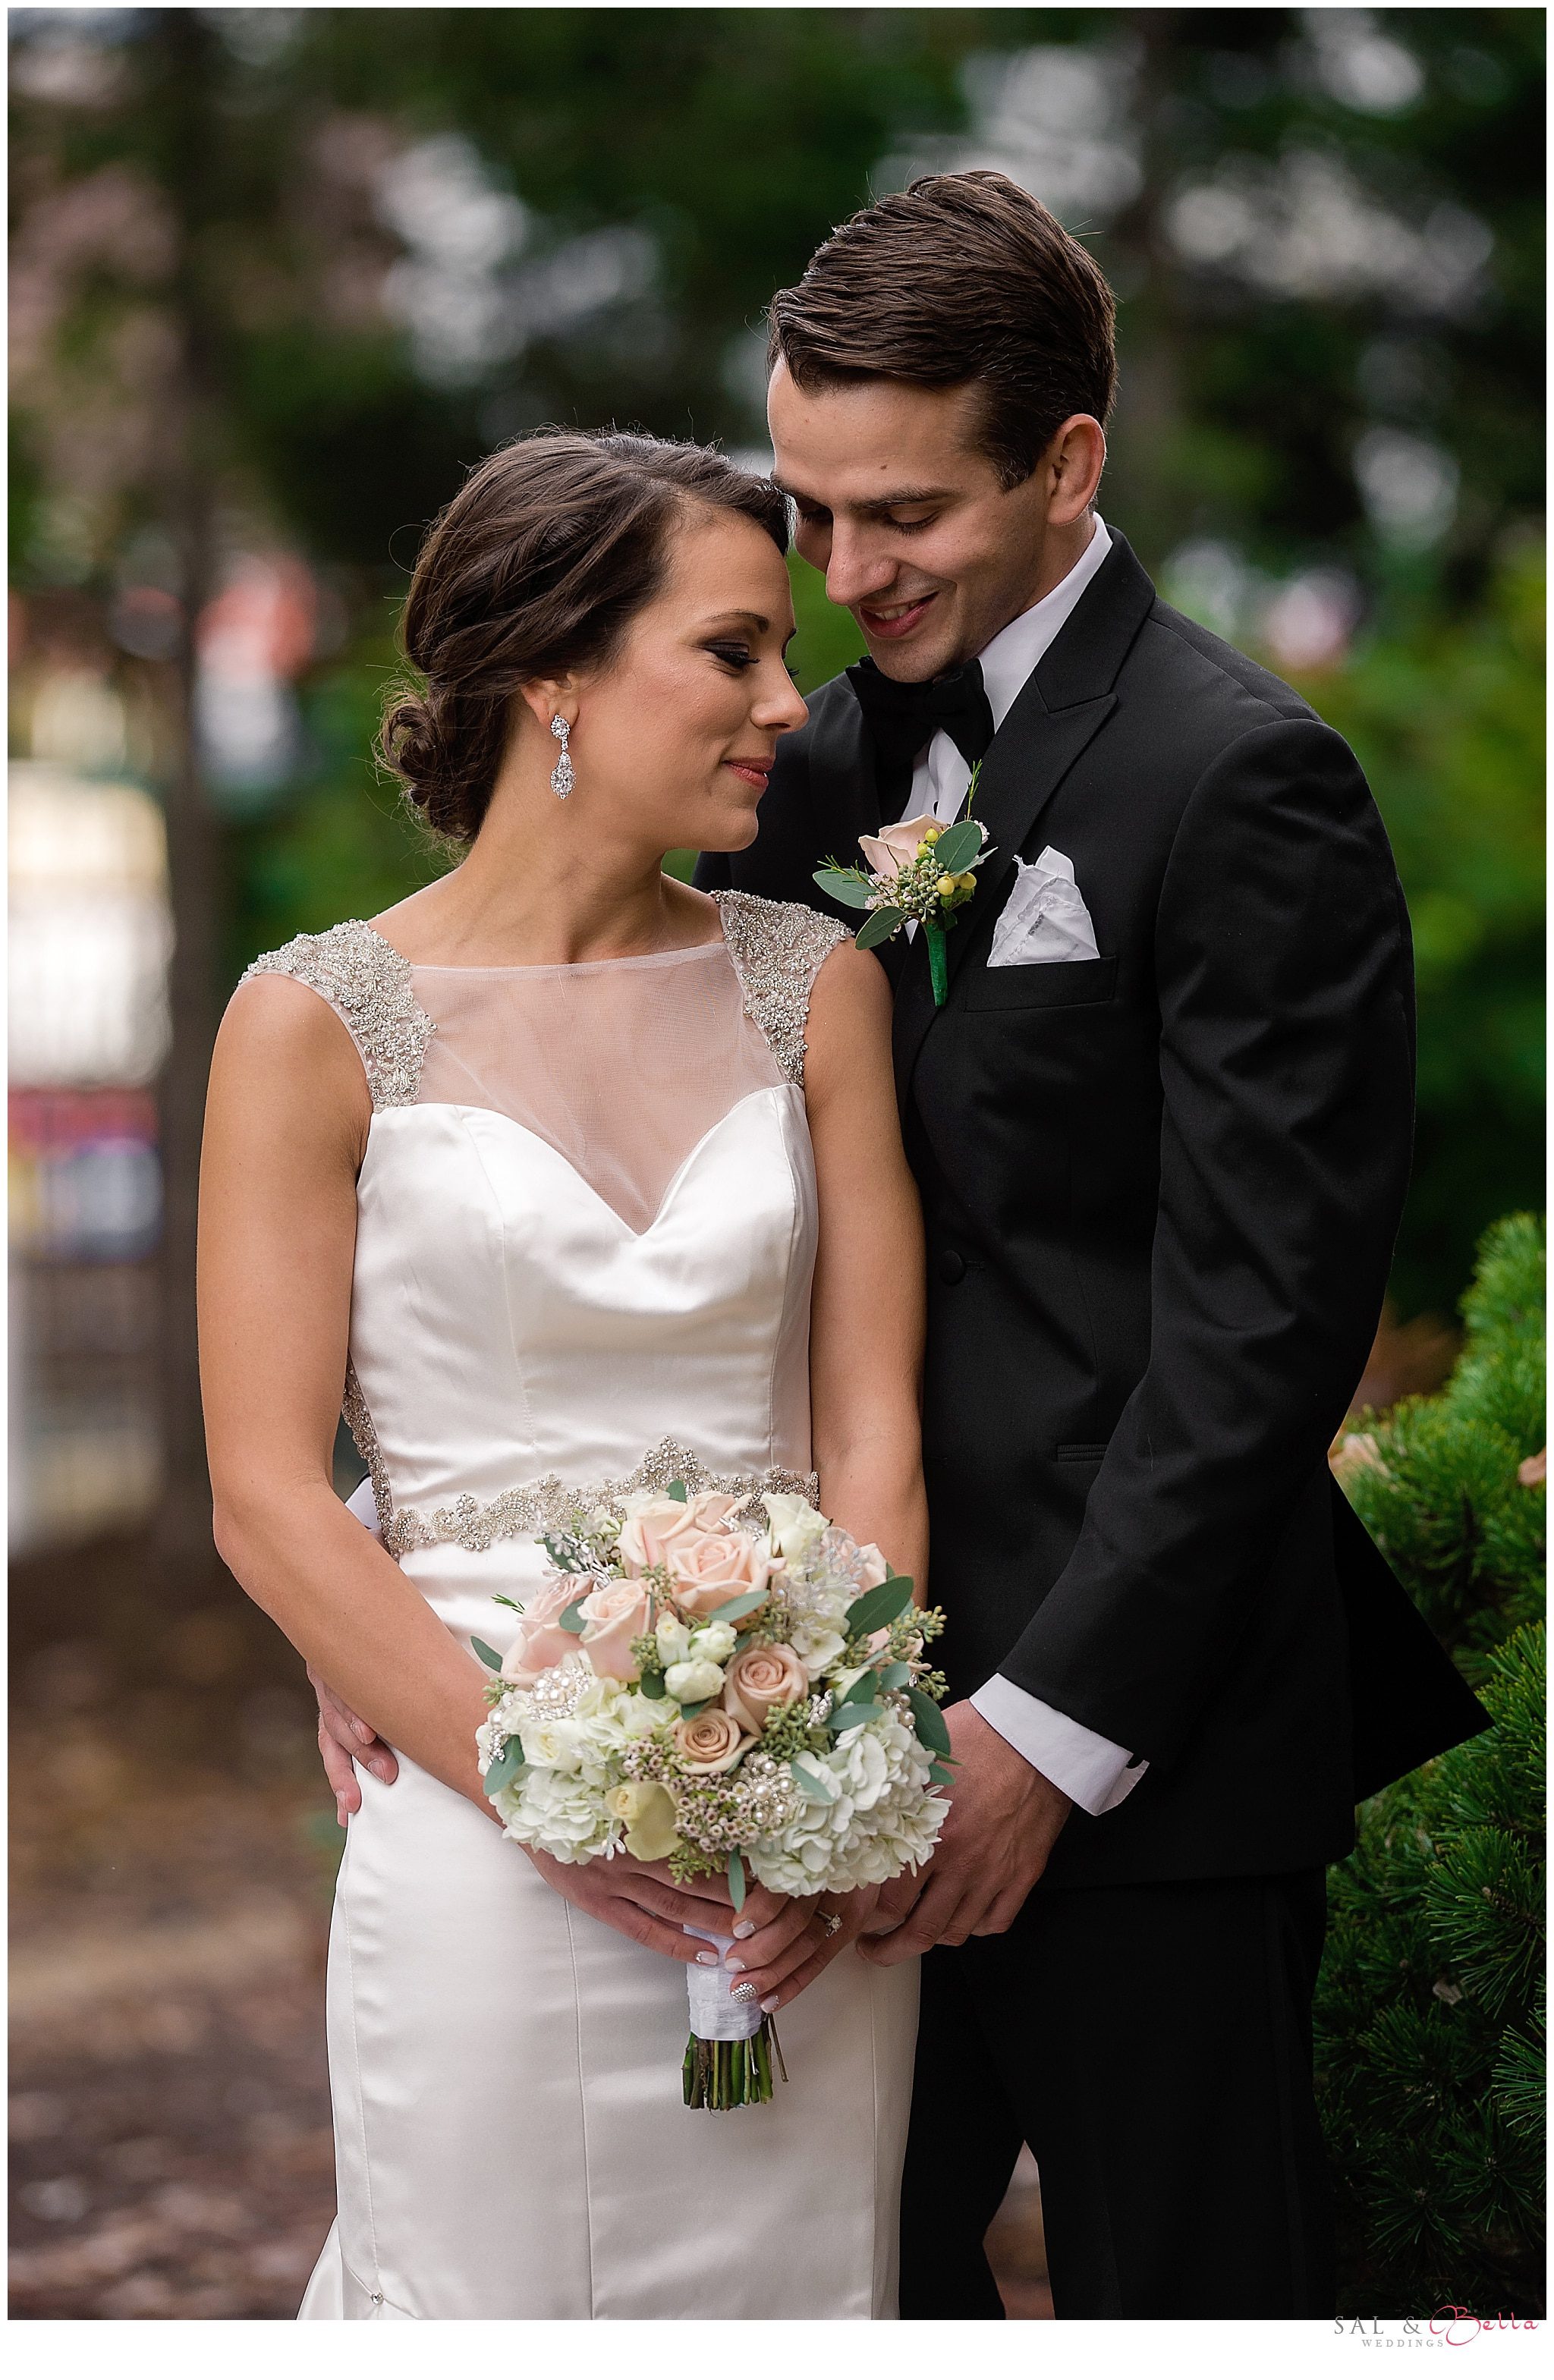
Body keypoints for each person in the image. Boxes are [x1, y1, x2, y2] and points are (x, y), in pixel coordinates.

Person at [693, 172, 1488, 2319]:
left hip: (1157, 1751)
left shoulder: (1247, 783)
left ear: (1067, 465)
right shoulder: (801, 767)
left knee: (1187, 2304)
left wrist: (1043, 1739)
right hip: (822, 1730)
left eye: (907, 515)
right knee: (854, 2297)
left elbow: (1260, 1324)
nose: (847, 576)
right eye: (811, 510)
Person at [200, 430, 928, 2320]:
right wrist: (546, 1803)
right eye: (732, 650)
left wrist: (845, 1775)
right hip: (474, 1840)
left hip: (793, 1864)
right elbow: (268, 1492)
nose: (786, 702)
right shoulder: (312, 1023)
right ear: (553, 678)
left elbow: (870, 1429)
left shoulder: (813, 987)